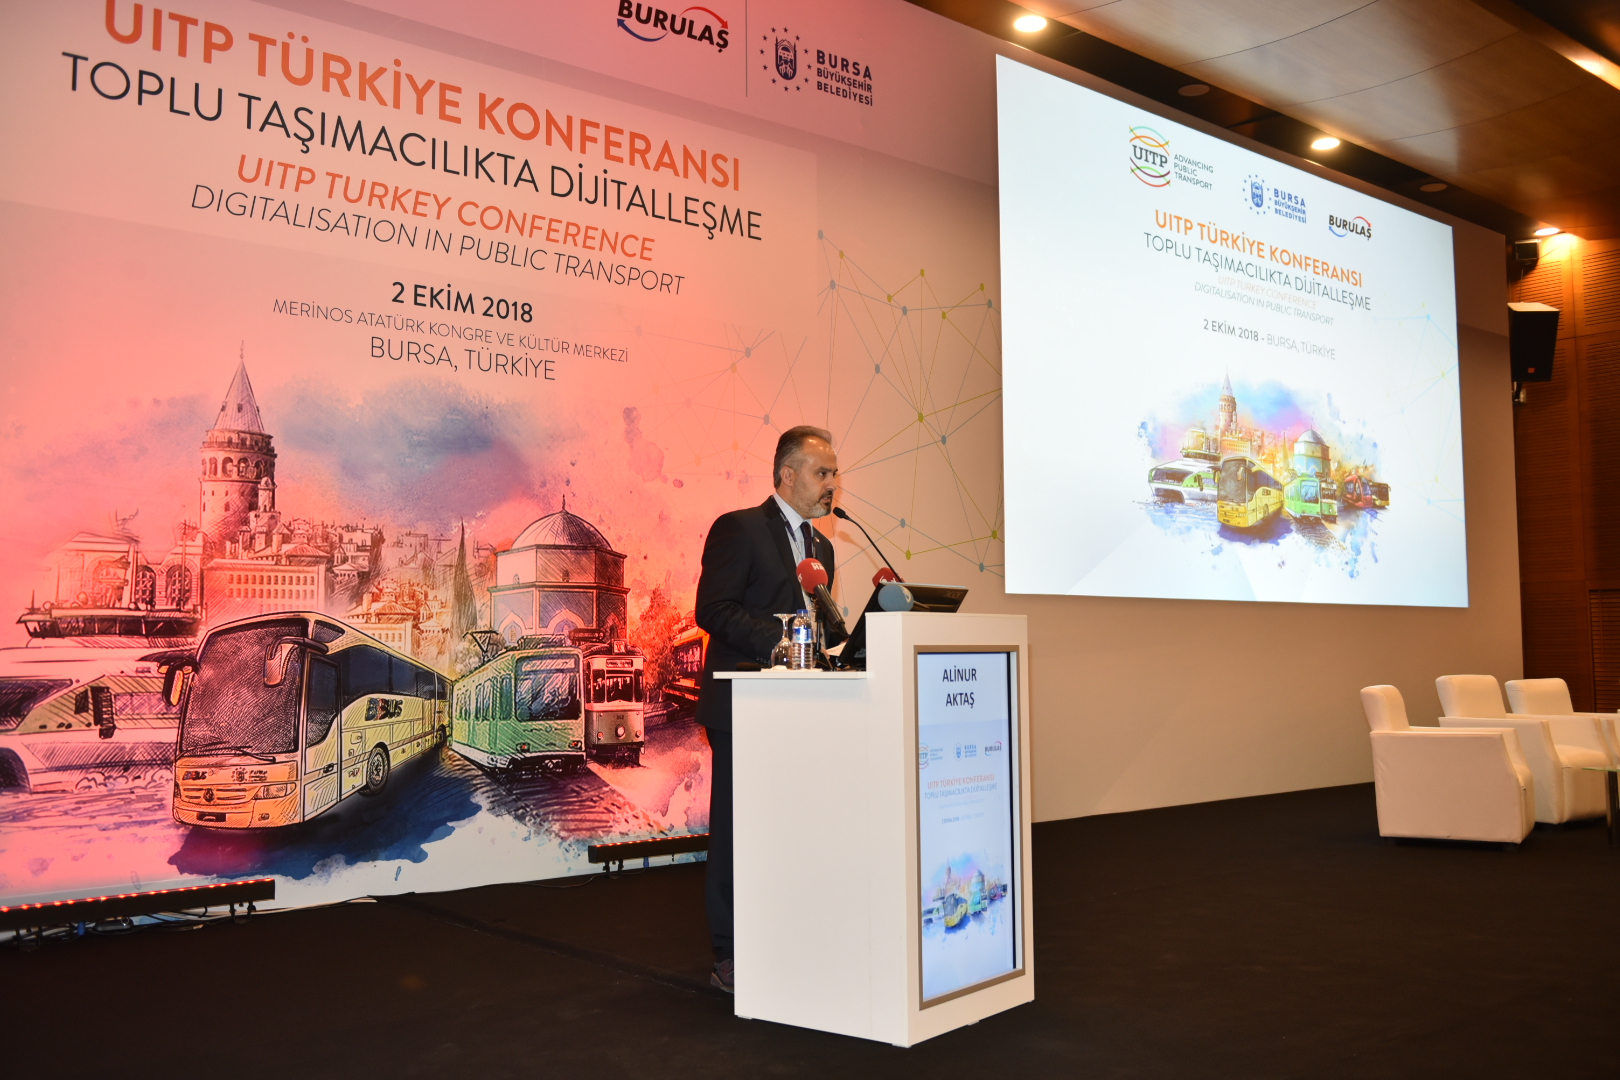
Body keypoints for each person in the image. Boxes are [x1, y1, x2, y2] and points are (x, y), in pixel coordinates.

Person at [693, 425, 845, 993]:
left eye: (834, 474)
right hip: (745, 704)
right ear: (787, 474)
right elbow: (713, 608)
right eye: (822, 473)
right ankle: (730, 952)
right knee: (738, 830)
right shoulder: (740, 529)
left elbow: (820, 624)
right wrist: (779, 643)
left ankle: (788, 934)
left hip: (801, 711)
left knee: (793, 827)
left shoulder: (824, 548)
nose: (832, 484)